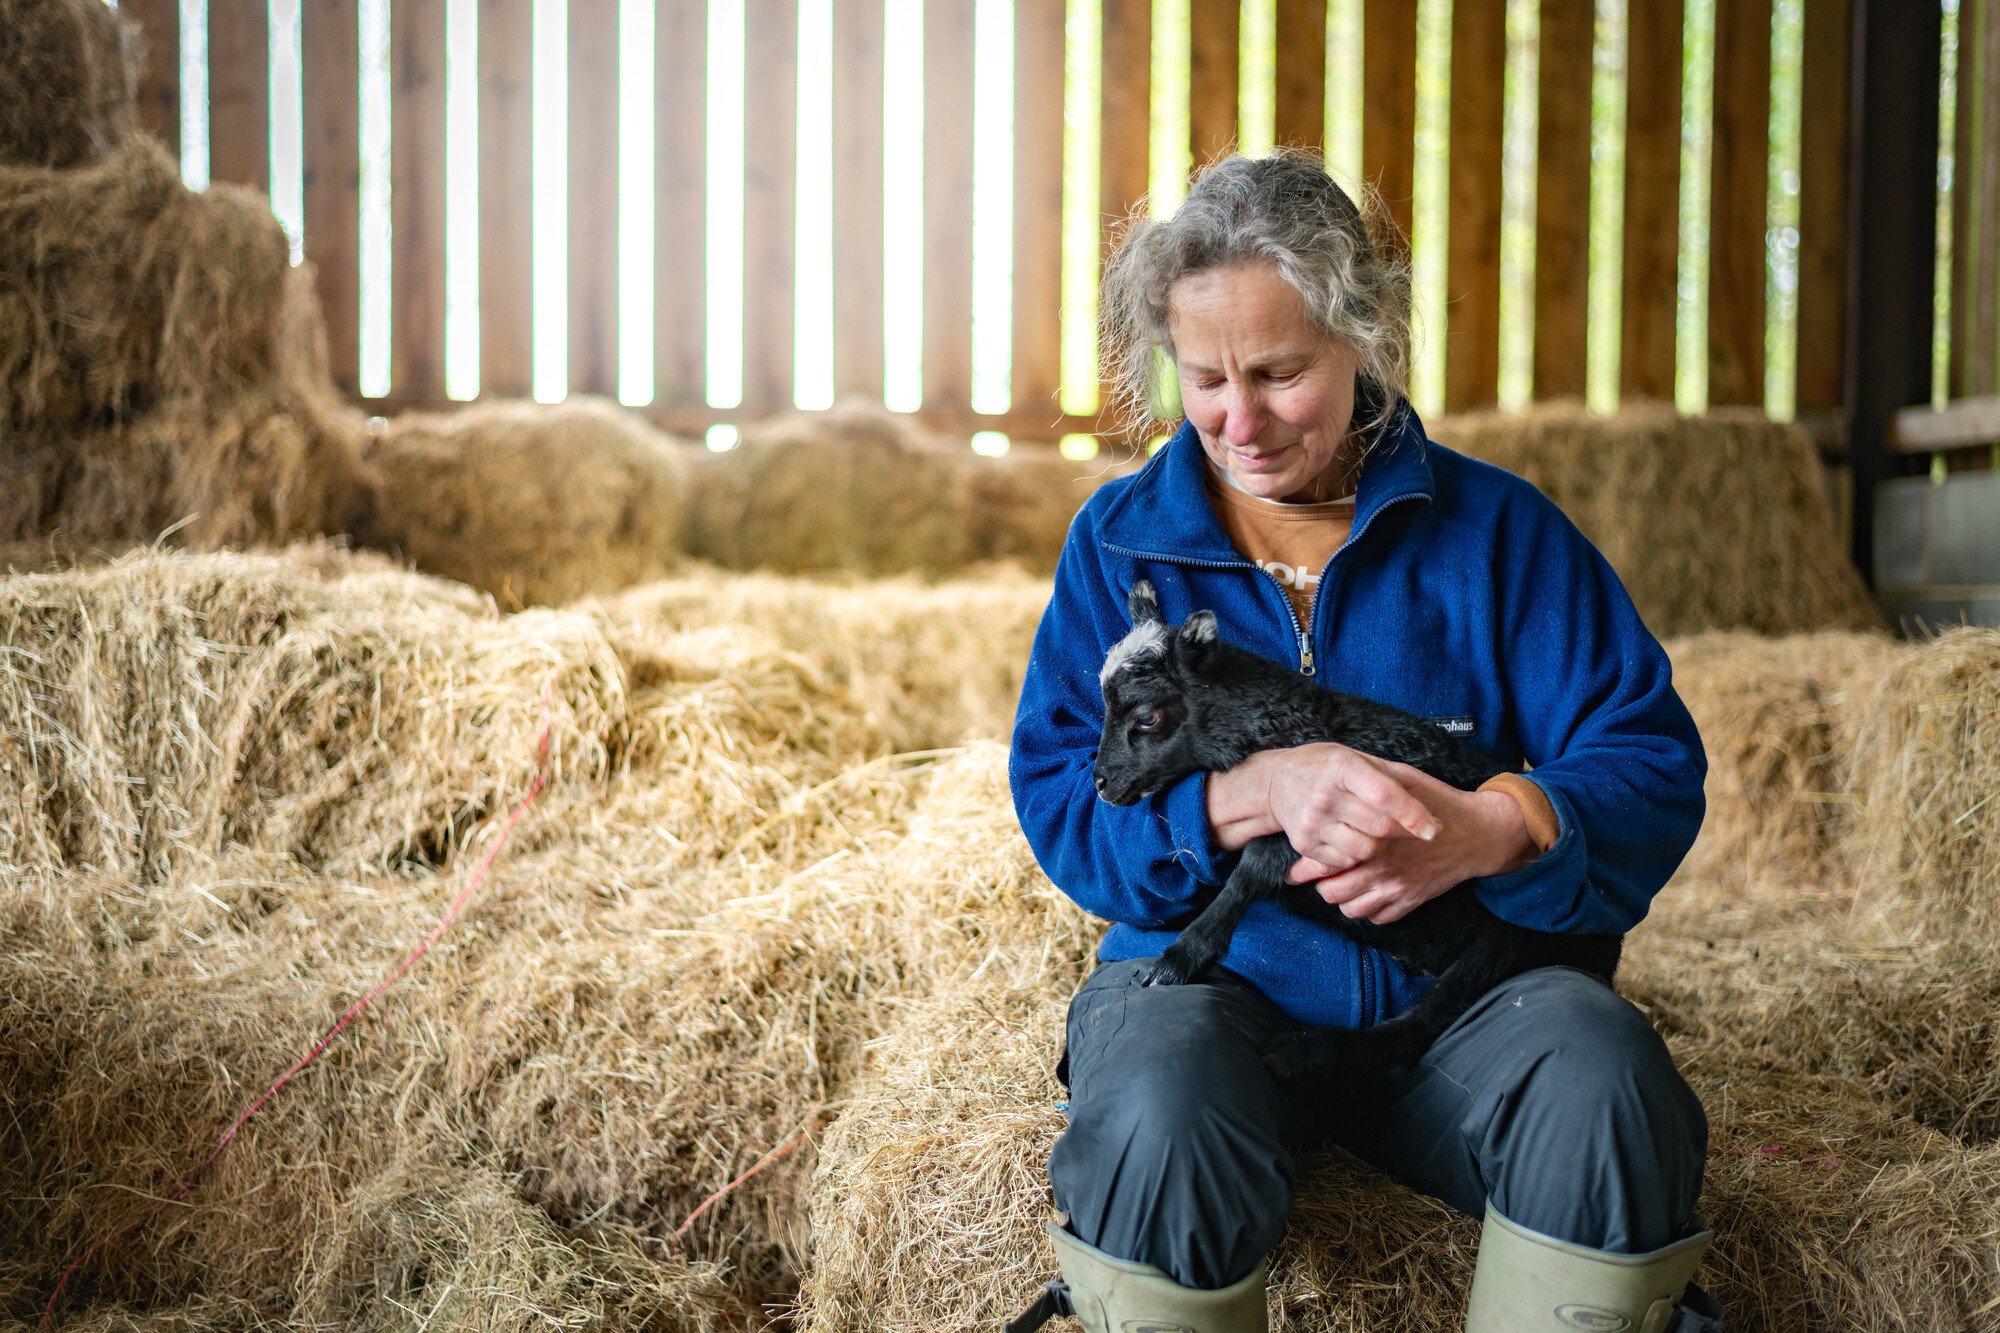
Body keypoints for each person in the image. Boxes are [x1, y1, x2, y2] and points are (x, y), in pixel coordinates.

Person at [1005, 151, 1723, 1333]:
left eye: (1281, 373)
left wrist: (1494, 828)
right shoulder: (1118, 542)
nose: (1239, 420)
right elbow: (1063, 803)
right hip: (1211, 990)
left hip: (1465, 999)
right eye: (1203, 378)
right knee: (1152, 1115)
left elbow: (1646, 760)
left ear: (1363, 334)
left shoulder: (1499, 536)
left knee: (1605, 1084)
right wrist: (1247, 794)